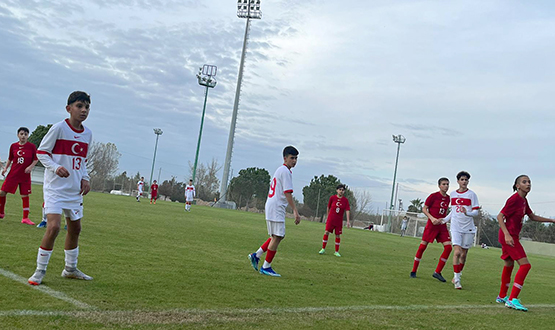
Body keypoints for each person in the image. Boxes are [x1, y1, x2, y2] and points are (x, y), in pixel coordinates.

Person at [28, 91, 94, 286]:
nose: (83, 110)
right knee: (54, 227)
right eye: (79, 106)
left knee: (75, 228)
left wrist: (85, 178)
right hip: (55, 189)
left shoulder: (88, 134)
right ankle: (40, 271)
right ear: (69, 108)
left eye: (87, 107)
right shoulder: (58, 128)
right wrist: (56, 168)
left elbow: (82, 161)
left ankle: (70, 269)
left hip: (74, 191)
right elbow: (41, 152)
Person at [495, 175, 554, 311]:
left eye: (529, 182)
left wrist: (551, 221)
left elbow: (532, 216)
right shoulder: (514, 199)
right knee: (525, 266)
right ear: (517, 186)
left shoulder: (523, 200)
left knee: (509, 264)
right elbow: (500, 216)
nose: (528, 184)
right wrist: (507, 234)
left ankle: (502, 296)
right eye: (524, 182)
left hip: (510, 236)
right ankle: (512, 299)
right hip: (509, 237)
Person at [248, 146, 301, 277]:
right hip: (276, 207)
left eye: (296, 158)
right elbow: (287, 192)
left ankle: (257, 255)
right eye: (292, 158)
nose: (294, 161)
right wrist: (295, 210)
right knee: (278, 236)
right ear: (285, 158)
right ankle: (266, 266)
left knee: (275, 236)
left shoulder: (280, 170)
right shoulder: (285, 171)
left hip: (271, 205)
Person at [441, 171, 480, 290]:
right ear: (458, 181)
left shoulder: (472, 195)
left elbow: (476, 212)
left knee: (463, 255)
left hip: (468, 228)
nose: (464, 182)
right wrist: (443, 220)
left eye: (466, 180)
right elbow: (453, 211)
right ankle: (457, 279)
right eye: (462, 179)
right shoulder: (452, 194)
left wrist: (466, 212)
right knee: (457, 252)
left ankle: (459, 273)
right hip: (456, 227)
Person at [410, 177, 452, 282]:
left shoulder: (448, 198)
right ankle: (414, 270)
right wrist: (432, 218)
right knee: (422, 247)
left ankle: (437, 272)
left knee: (448, 248)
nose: (446, 186)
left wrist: (444, 219)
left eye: (447, 184)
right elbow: (424, 208)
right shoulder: (433, 196)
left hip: (442, 226)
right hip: (432, 225)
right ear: (439, 185)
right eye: (444, 184)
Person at [0, 127, 39, 225]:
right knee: (2, 192)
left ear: (28, 136)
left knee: (25, 195)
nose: (23, 136)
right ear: (18, 135)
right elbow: (10, 158)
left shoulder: (32, 147)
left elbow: (35, 159)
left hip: (25, 176)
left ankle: (25, 218)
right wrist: (5, 168)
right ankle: (1, 212)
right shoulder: (13, 146)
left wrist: (30, 167)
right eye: (21, 134)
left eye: (25, 134)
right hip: (13, 174)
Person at [319, 184, 351, 257]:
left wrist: (348, 221)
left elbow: (347, 210)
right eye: (340, 190)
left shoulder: (345, 200)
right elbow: (328, 207)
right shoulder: (332, 198)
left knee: (337, 235)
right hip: (331, 219)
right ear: (337, 190)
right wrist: (327, 216)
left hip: (339, 220)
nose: (341, 191)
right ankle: (323, 248)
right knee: (326, 232)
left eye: (342, 190)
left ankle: (336, 251)